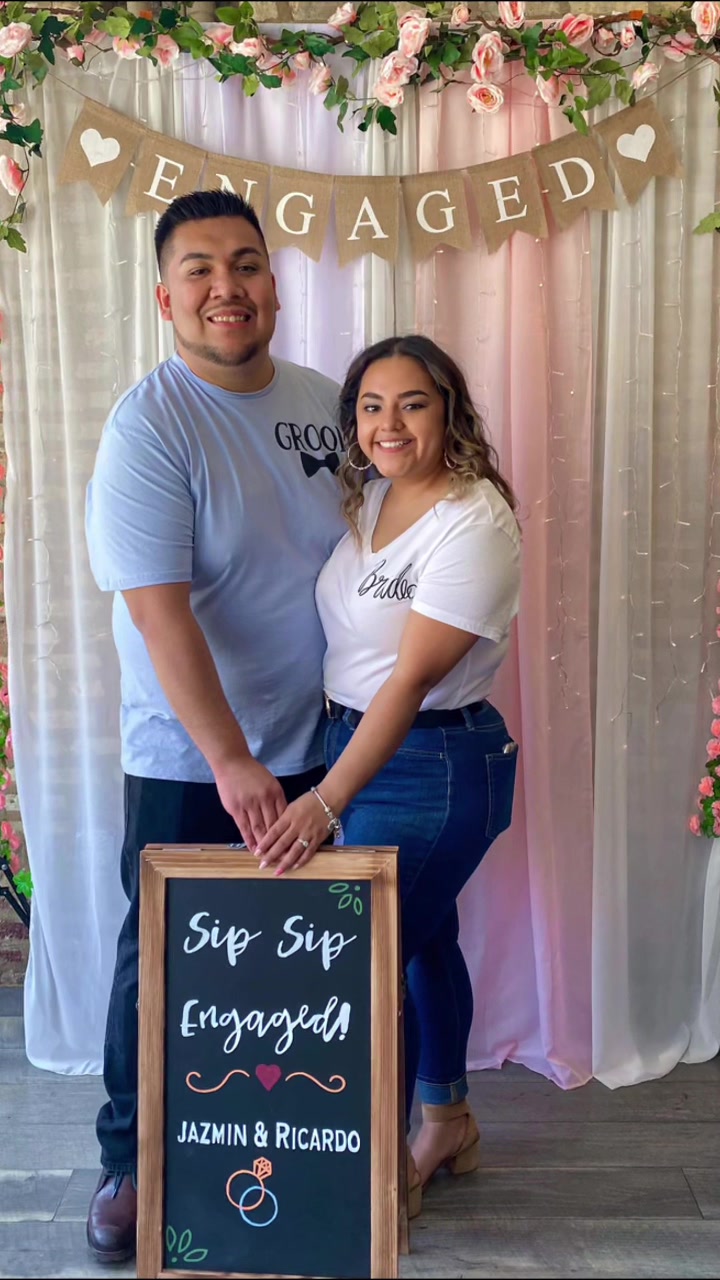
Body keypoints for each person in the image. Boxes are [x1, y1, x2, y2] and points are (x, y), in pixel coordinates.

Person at [84, 189, 346, 1262]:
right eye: (198, 269)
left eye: (245, 264)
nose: (225, 287)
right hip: (193, 756)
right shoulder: (149, 425)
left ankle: (308, 1149)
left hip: (326, 743)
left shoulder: (330, 403)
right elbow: (160, 610)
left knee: (307, 964)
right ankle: (129, 1161)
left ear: (274, 286)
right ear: (166, 298)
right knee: (162, 958)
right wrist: (230, 756)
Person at [255, 334, 521, 1218]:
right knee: (423, 943)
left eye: (412, 403)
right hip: (356, 746)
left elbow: (408, 682)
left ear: (450, 411)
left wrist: (325, 801)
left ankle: (365, 1180)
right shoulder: (369, 495)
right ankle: (447, 1123)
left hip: (434, 765)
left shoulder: (474, 520)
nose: (389, 423)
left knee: (365, 966)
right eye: (371, 406)